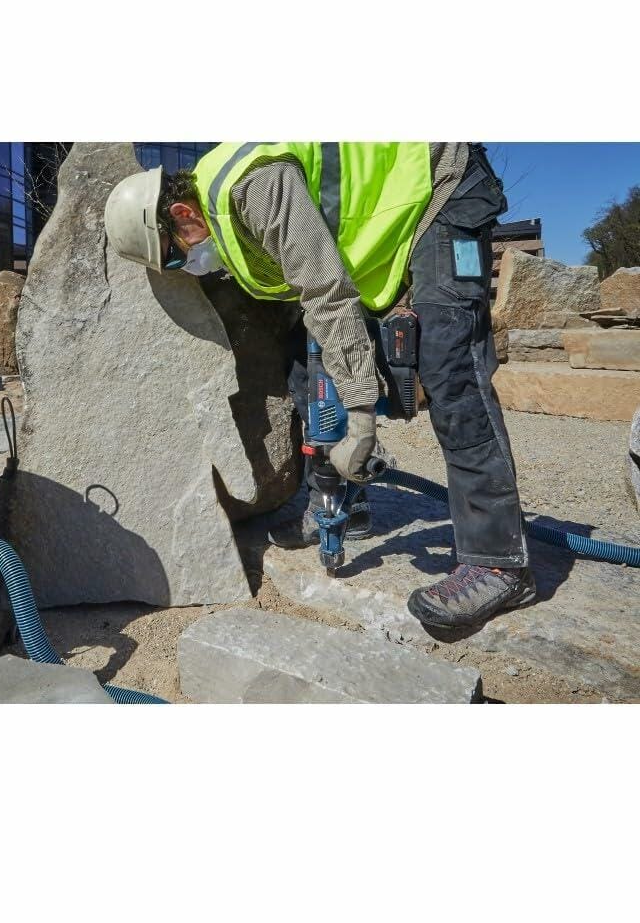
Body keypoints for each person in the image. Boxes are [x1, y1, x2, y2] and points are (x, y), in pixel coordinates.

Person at [104, 142, 535, 629]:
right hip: (391, 220)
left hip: (439, 186)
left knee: (449, 366)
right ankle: (339, 505)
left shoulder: (251, 187)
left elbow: (326, 292)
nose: (186, 267)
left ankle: (499, 562)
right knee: (304, 362)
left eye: (175, 258)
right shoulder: (224, 223)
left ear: (182, 214)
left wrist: (361, 417)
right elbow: (312, 317)